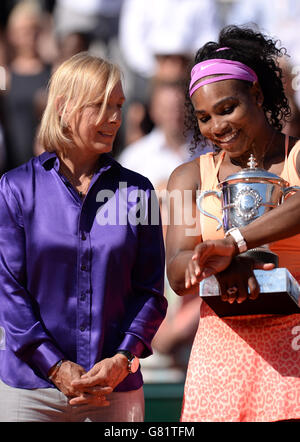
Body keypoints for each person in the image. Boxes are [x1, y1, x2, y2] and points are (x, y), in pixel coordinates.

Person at [0, 52, 167, 422]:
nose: (114, 118)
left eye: (119, 106)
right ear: (63, 106)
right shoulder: (15, 188)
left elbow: (151, 292)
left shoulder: (139, 192)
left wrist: (122, 360)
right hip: (30, 390)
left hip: (115, 388)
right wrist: (55, 367)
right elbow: (9, 292)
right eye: (101, 106)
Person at [166, 25, 300, 422]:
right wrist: (213, 262)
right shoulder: (185, 177)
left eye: (227, 109)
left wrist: (233, 242)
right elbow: (176, 270)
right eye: (204, 118)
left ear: (257, 95)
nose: (217, 127)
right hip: (219, 354)